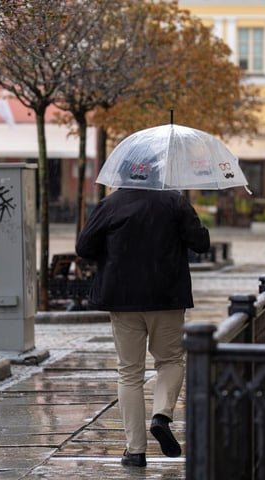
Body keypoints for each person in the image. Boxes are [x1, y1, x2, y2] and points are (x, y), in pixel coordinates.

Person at [75, 163, 210, 468]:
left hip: (124, 300)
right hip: (167, 297)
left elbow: (84, 247)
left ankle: (135, 451)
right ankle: (161, 415)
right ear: (157, 174)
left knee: (129, 372)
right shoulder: (174, 201)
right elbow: (201, 244)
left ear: (122, 175)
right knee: (171, 361)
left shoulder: (110, 204)